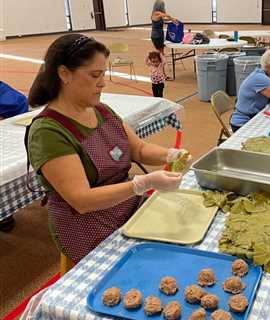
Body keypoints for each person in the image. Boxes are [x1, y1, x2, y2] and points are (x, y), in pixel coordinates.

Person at [26, 34, 190, 263]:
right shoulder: (49, 133)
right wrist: (143, 183)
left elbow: (139, 149)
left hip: (125, 204)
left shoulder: (101, 110)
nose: (102, 82)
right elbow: (82, 200)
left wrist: (170, 154)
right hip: (85, 225)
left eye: (103, 73)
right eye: (95, 75)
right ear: (64, 74)